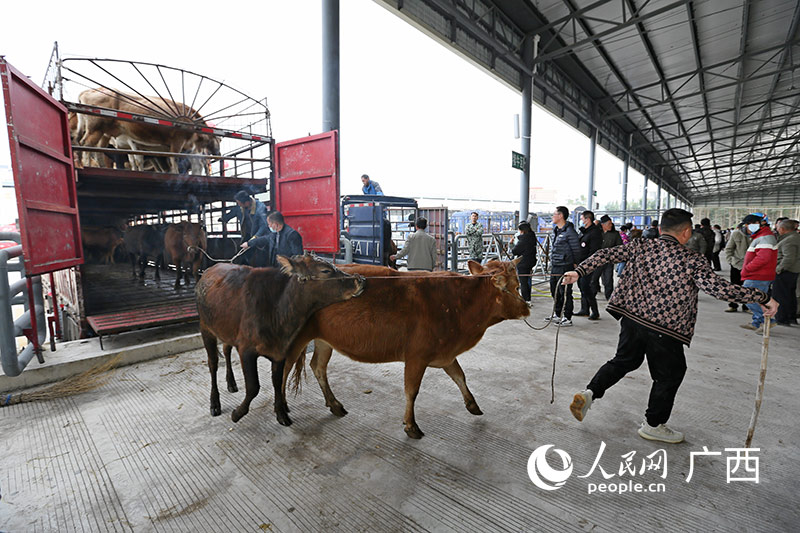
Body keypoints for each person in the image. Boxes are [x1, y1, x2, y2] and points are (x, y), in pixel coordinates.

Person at [564, 208, 778, 444]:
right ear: (686, 232)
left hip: (632, 321)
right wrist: (762, 297)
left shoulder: (640, 246)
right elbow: (719, 289)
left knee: (624, 360)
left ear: (661, 229)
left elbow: (605, 254)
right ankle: (653, 424)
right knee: (669, 375)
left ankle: (590, 392)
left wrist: (579, 270)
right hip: (665, 329)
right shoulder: (692, 259)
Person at [739, 213, 778, 332]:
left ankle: (767, 320)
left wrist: (747, 269)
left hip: (757, 276)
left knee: (747, 297)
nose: (747, 228)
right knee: (759, 299)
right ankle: (756, 322)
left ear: (759, 224)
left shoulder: (765, 237)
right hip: (759, 275)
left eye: (749, 224)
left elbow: (763, 258)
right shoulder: (762, 236)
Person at [545, 206, 581, 327]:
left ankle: (567, 317)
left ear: (560, 216)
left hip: (565, 266)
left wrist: (575, 265)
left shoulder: (570, 232)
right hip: (555, 265)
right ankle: (557, 313)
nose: (552, 216)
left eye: (554, 214)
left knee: (565, 292)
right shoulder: (557, 230)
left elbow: (576, 250)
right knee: (554, 290)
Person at [221, 190, 270, 265]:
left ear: (247, 202)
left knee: (261, 259)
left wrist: (255, 238)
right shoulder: (241, 208)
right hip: (247, 234)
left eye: (240, 204)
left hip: (260, 236)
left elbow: (263, 226)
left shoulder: (260, 208)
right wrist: (224, 218)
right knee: (243, 255)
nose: (239, 205)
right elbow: (233, 212)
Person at [575, 210, 602, 320]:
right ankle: (584, 309)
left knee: (586, 287)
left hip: (588, 265)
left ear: (587, 219)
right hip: (580, 263)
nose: (581, 221)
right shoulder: (583, 232)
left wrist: (588, 264)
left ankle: (595, 311)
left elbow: (593, 251)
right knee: (581, 286)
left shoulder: (594, 233)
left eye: (582, 219)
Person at [774, 219, 800, 326]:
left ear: (783, 229)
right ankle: (791, 317)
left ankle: (782, 318)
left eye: (778, 228)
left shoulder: (789, 240)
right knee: (790, 295)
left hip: (786, 271)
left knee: (781, 296)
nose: (777, 230)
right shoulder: (795, 237)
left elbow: (788, 258)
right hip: (793, 271)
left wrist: (779, 269)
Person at [724, 223, 749, 312]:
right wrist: (730, 261)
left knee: (748, 287)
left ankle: (747, 306)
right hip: (737, 264)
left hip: (751, 265)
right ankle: (733, 305)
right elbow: (729, 248)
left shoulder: (757, 235)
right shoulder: (736, 233)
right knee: (734, 286)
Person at [512, 220, 537, 306]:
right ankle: (528, 299)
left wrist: (512, 244)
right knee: (528, 280)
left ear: (522, 231)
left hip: (523, 263)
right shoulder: (532, 237)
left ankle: (525, 300)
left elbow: (515, 251)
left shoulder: (523, 240)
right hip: (531, 261)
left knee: (523, 282)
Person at [598, 215, 623, 300]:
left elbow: (620, 246)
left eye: (611, 224)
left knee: (608, 279)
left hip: (609, 260)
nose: (611, 225)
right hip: (597, 260)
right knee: (593, 279)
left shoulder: (615, 234)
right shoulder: (597, 233)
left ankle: (609, 296)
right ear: (603, 224)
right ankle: (593, 293)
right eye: (609, 224)